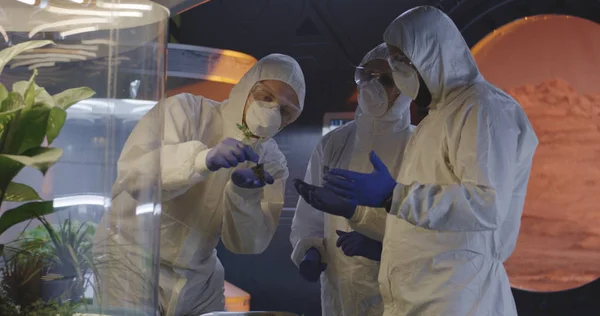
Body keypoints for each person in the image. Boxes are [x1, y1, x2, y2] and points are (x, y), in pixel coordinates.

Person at [322, 6, 539, 316]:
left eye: (401, 61)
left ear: (435, 53)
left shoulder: (482, 108)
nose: (396, 72)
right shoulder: (436, 118)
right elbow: (421, 219)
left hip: (460, 300)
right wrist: (358, 212)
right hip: (424, 298)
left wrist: (391, 194)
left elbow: (485, 203)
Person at [93, 54, 305, 316]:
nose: (272, 112)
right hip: (130, 259)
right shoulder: (185, 111)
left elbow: (248, 244)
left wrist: (244, 196)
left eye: (285, 110)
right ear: (246, 86)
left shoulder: (270, 162)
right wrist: (201, 160)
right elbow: (134, 175)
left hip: (197, 277)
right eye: (265, 96)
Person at [290, 43, 413, 316]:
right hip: (339, 297)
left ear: (405, 87)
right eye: (367, 76)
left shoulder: (418, 145)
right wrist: (310, 251)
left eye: (385, 79)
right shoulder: (334, 143)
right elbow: (310, 217)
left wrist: (381, 248)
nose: (372, 85)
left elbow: (430, 227)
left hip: (398, 299)